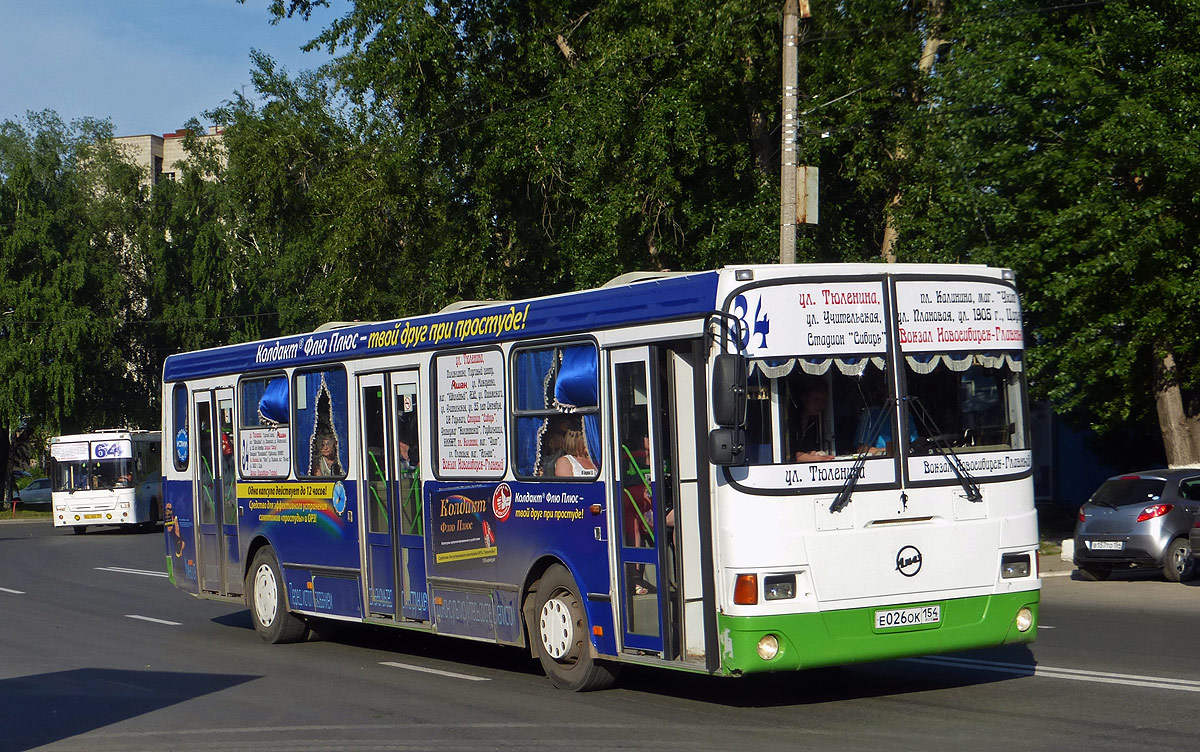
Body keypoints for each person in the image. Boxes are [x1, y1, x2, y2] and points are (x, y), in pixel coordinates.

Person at [792, 381, 834, 462]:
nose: (820, 405)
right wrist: (820, 458)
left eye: (823, 401)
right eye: (815, 400)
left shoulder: (815, 423)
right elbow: (791, 455)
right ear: (804, 399)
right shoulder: (791, 423)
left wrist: (815, 453)